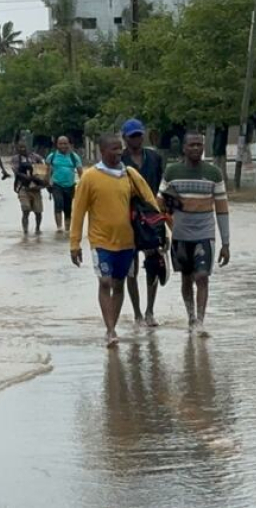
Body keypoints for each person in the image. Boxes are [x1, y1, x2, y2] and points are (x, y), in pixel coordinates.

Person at [70, 133, 159, 348]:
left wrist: (162, 231)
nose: (119, 152)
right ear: (102, 151)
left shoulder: (130, 175)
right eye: (114, 149)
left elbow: (150, 201)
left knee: (119, 285)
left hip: (128, 242)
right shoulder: (90, 177)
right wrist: (74, 244)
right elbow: (78, 211)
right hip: (100, 242)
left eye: (120, 148)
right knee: (105, 282)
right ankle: (110, 330)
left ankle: (113, 324)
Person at [159, 131, 230, 337]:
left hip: (204, 234)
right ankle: (190, 317)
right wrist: (167, 202)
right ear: (184, 148)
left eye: (199, 145)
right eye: (192, 145)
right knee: (186, 279)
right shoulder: (172, 172)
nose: (196, 149)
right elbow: (159, 202)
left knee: (202, 276)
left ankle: (199, 321)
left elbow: (222, 209)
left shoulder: (214, 174)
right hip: (180, 235)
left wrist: (226, 243)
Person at [120, 118, 166, 327]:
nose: (136, 139)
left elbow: (163, 187)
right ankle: (137, 313)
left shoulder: (155, 158)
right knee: (131, 269)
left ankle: (150, 311)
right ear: (125, 138)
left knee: (154, 264)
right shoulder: (119, 160)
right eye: (132, 137)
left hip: (153, 219)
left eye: (139, 135)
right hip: (126, 219)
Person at [45, 135, 84, 232]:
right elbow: (47, 171)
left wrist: (83, 186)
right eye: (60, 144)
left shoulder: (74, 157)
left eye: (65, 143)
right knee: (58, 204)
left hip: (70, 186)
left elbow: (80, 173)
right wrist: (47, 183)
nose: (63, 146)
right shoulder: (52, 156)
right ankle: (59, 228)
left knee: (68, 208)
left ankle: (67, 230)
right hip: (56, 185)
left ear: (69, 144)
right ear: (57, 145)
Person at [10, 142, 45, 234]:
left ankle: (37, 229)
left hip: (36, 188)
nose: (22, 149)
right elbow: (16, 171)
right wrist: (26, 177)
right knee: (25, 209)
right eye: (20, 148)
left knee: (38, 211)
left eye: (24, 147)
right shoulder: (15, 159)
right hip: (23, 187)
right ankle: (25, 231)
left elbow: (42, 171)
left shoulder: (37, 157)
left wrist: (39, 182)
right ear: (17, 149)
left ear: (28, 147)